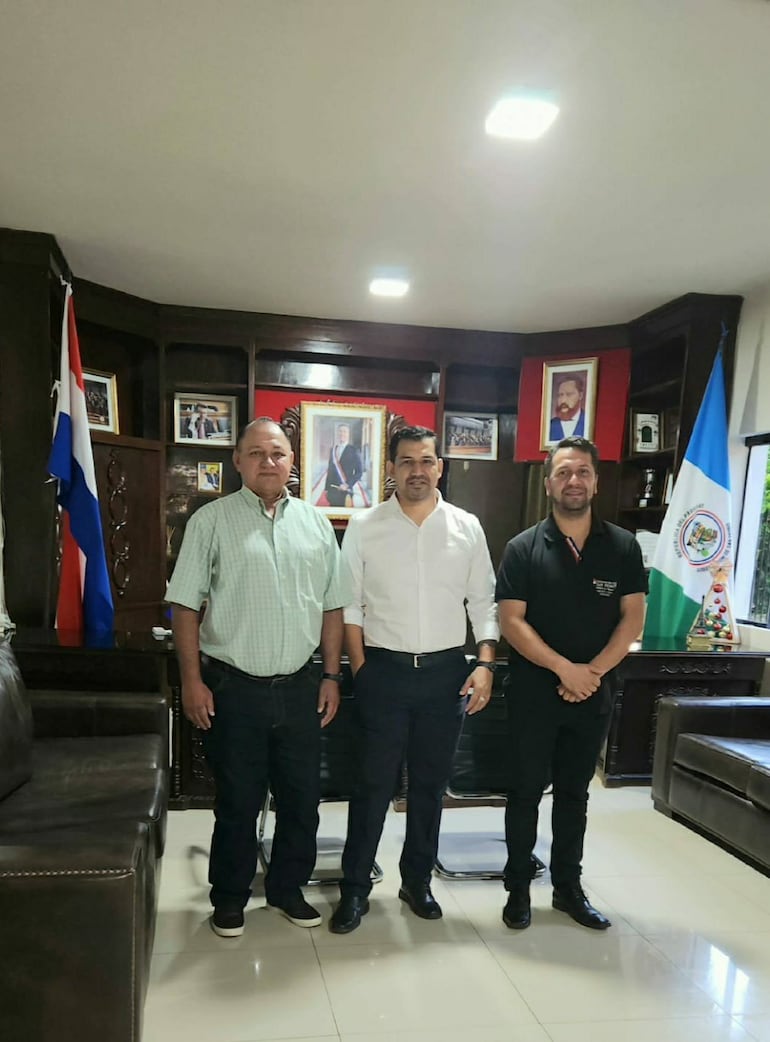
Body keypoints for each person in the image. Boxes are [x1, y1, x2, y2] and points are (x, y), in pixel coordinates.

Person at [166, 418, 348, 938]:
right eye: (257, 453)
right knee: (237, 802)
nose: (269, 462)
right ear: (238, 462)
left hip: (299, 687)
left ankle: (288, 890)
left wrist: (332, 676)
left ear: (293, 462)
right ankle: (229, 897)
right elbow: (184, 606)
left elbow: (333, 607)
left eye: (279, 453)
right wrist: (192, 682)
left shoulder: (316, 524)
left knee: (300, 800)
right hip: (232, 687)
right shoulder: (211, 521)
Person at [329, 425, 499, 934]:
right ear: (391, 468)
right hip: (383, 671)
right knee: (372, 786)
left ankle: (416, 881)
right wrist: (360, 669)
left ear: (439, 467)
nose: (417, 471)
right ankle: (355, 889)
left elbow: (484, 603)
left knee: (429, 787)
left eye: (426, 461)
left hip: (447, 674)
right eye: (406, 462)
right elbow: (348, 604)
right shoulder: (365, 525)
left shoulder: (466, 526)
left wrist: (485, 664)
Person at [496, 436, 646, 931]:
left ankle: (568, 889)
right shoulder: (523, 548)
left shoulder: (623, 546)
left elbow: (632, 620)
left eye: (582, 471)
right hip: (534, 695)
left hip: (592, 695)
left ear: (596, 481)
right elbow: (511, 622)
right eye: (563, 472)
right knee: (523, 794)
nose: (573, 481)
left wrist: (593, 673)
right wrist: (565, 670)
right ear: (549, 483)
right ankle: (518, 889)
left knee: (575, 797)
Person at [325, 422, 364, 507]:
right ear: (337, 433)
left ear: (348, 434)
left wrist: (347, 485)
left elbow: (359, 472)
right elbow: (330, 470)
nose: (342, 434)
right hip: (333, 489)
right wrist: (327, 488)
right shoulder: (333, 450)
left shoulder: (354, 450)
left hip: (345, 490)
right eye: (340, 431)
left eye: (344, 432)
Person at [549, 375, 586, 441]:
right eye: (560, 395)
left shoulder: (588, 422)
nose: (563, 400)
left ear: (580, 395)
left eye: (569, 394)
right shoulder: (550, 425)